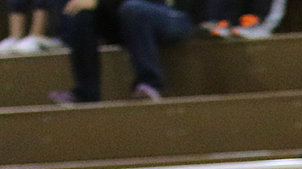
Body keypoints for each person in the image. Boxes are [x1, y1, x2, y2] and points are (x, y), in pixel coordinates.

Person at [49, 0, 197, 103]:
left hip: (172, 17)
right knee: (81, 12)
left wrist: (98, 3)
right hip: (128, 20)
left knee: (133, 8)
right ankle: (86, 93)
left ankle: (151, 83)